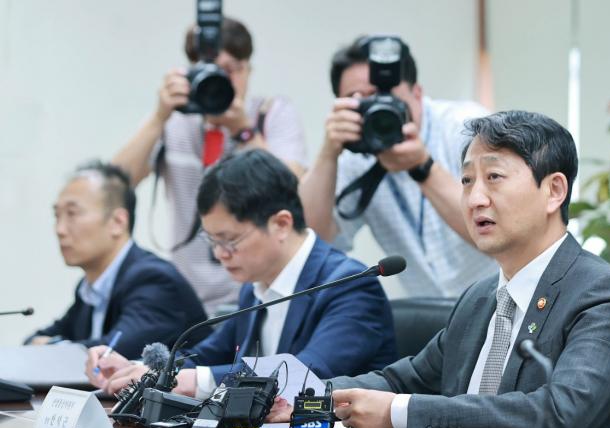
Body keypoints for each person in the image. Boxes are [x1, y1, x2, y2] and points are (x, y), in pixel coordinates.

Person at [273, 111, 610, 428]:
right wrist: (298, 394)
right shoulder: (479, 299)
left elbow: (563, 412)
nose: (475, 198)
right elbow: (400, 380)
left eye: (494, 176)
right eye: (467, 180)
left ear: (554, 191)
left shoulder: (605, 293)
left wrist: (400, 411)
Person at [86, 149, 397, 399]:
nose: (220, 254)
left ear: (281, 224)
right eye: (212, 240)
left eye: (230, 240)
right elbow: (207, 357)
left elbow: (304, 374)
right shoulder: (254, 285)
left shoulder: (351, 286)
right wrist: (137, 370)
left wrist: (193, 381)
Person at [113, 17, 307, 312]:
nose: (222, 81)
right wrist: (158, 117)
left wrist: (243, 131)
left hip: (259, 295)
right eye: (212, 71)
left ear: (248, 71)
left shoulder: (270, 114)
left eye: (231, 70)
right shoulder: (174, 122)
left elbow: (292, 193)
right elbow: (115, 186)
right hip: (187, 297)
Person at [299, 35, 495, 299]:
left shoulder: (467, 128)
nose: (376, 110)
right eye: (359, 101)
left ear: (417, 94)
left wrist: (423, 168)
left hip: (498, 301)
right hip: (432, 316)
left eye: (382, 96)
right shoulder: (356, 158)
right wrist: (328, 153)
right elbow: (309, 242)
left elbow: (499, 226)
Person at [26, 162, 210, 360]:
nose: (59, 229)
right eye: (57, 215)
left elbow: (112, 354)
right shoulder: (90, 287)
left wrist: (50, 346)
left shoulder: (153, 279)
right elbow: (34, 340)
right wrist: (45, 344)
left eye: (72, 214)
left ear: (118, 222)